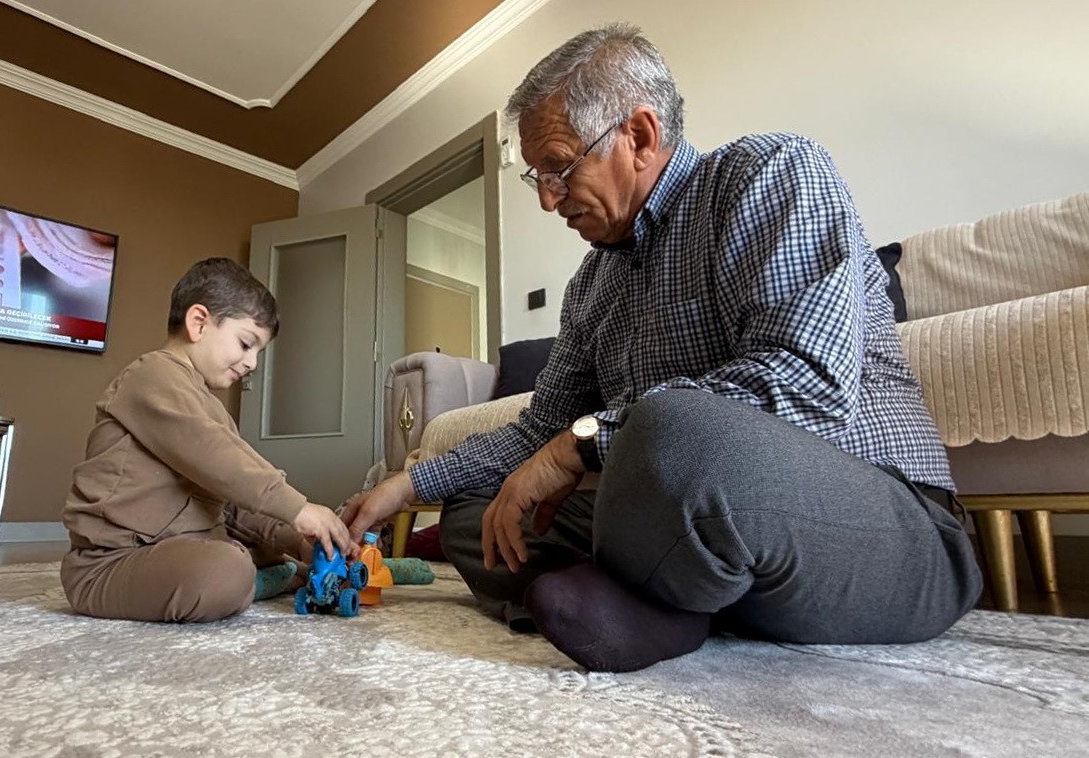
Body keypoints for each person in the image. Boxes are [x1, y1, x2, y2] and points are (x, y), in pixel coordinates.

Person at [344, 23, 982, 671]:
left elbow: (805, 381)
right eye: (535, 177)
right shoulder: (591, 285)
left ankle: (653, 598)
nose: (546, 199)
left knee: (671, 425)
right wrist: (408, 483)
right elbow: (540, 431)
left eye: (560, 169)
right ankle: (673, 606)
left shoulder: (770, 172)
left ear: (640, 136)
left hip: (882, 531)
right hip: (707, 538)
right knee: (479, 515)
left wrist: (588, 440)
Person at [61, 257, 354, 623]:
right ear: (198, 323)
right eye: (247, 344)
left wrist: (296, 539)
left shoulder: (210, 408)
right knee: (225, 570)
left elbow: (231, 503)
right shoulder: (151, 376)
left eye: (259, 352)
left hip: (184, 546)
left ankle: (276, 571)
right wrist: (300, 508)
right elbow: (221, 460)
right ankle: (261, 580)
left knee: (250, 547)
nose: (253, 363)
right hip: (110, 564)